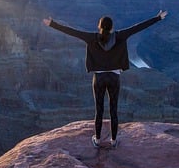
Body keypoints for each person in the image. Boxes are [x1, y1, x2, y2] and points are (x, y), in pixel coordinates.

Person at [43, 10, 168, 148]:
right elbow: (138, 27)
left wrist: (52, 24)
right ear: (112, 27)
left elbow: (73, 32)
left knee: (99, 109)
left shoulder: (92, 38)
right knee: (113, 109)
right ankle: (113, 141)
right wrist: (158, 18)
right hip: (114, 77)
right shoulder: (120, 36)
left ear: (99, 26)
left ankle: (97, 140)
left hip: (99, 77)